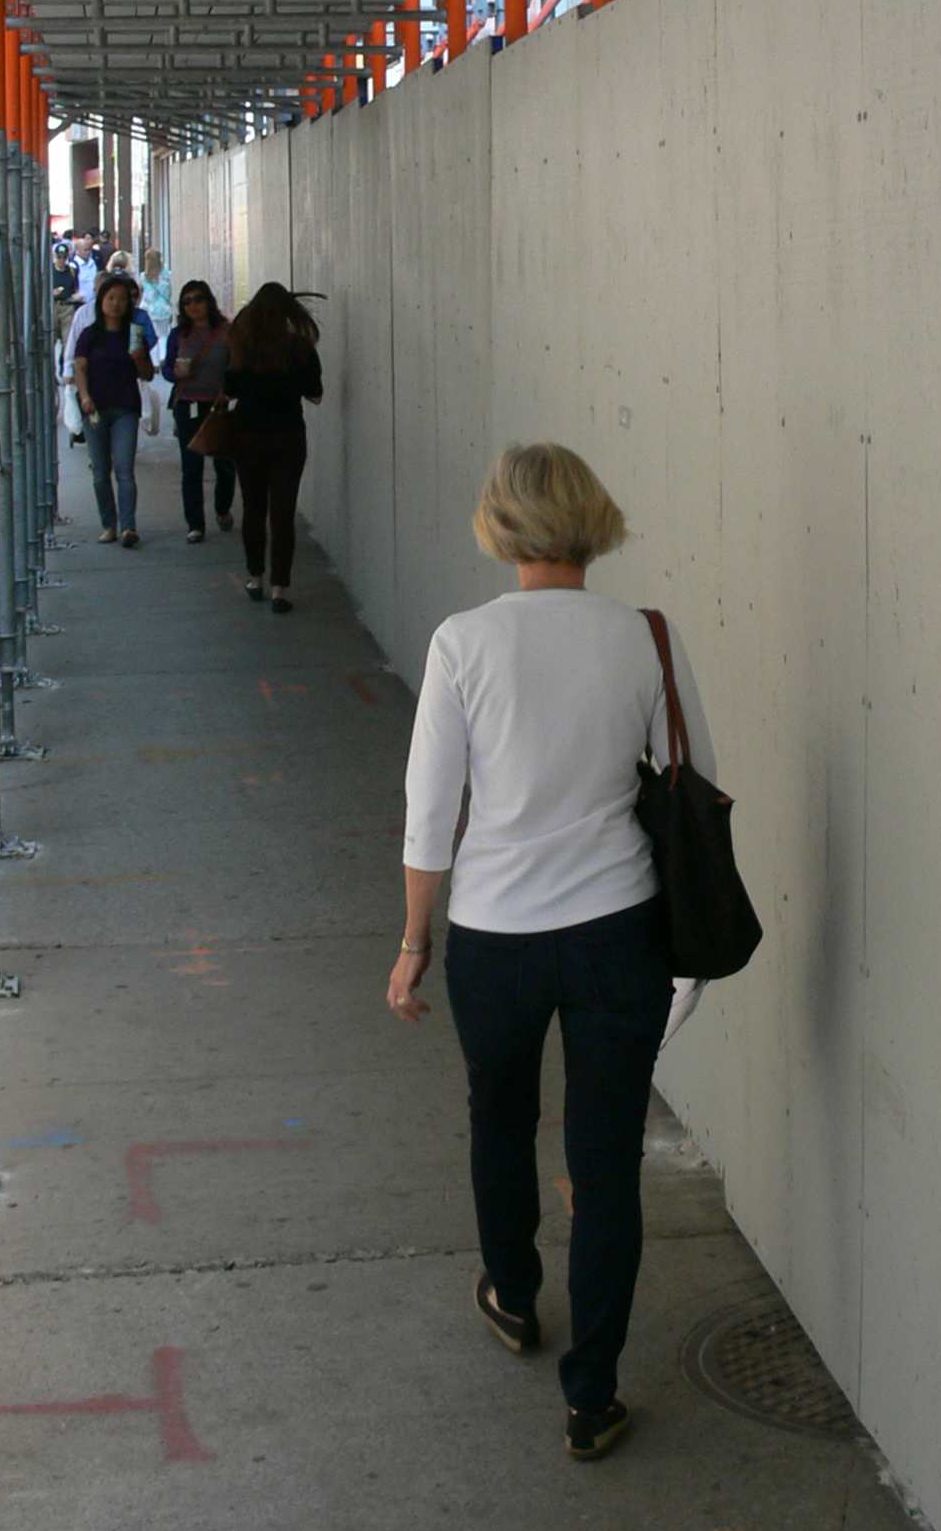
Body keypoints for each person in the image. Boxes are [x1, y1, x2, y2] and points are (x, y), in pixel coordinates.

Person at [388, 441, 710, 1464]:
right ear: (591, 516)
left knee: (500, 1115)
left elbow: (429, 812)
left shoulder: (462, 644)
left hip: (494, 936)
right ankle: (593, 1395)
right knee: (606, 1162)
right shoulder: (644, 637)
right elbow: (699, 789)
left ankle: (515, 1295)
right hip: (619, 931)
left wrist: (410, 944)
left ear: (499, 523)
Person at [222, 283, 322, 612]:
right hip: (288, 436)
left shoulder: (240, 345)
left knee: (253, 508)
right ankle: (280, 588)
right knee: (282, 513)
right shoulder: (300, 348)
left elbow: (229, 389)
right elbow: (316, 395)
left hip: (247, 435)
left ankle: (255, 579)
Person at [72, 270, 153, 546]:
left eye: (121, 299)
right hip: (94, 408)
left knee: (124, 468)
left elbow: (148, 374)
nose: (116, 303)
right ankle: (109, 524)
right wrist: (84, 396)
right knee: (100, 471)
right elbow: (79, 366)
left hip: (125, 408)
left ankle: (128, 526)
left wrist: (140, 359)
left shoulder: (134, 334)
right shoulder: (89, 334)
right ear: (101, 300)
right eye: (110, 298)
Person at [162, 278, 235, 544]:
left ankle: (222, 507)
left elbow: (235, 366)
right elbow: (167, 369)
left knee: (225, 463)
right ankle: (195, 524)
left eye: (198, 299)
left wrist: (229, 389)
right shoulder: (178, 335)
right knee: (191, 467)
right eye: (187, 301)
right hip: (187, 404)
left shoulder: (226, 331)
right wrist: (176, 373)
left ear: (209, 301)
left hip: (216, 405)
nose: (193, 305)